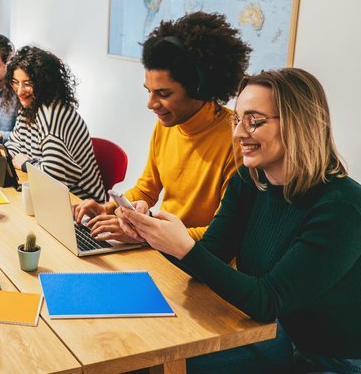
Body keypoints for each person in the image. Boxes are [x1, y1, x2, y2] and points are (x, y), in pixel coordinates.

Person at [117, 68, 361, 374]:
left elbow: (268, 299)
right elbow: (212, 255)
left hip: (328, 359)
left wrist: (184, 248)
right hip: (267, 333)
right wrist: (151, 232)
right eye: (237, 119)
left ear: (300, 125)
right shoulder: (250, 180)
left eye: (254, 121)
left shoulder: (342, 208)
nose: (238, 134)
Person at [75, 12, 250, 243]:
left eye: (163, 94)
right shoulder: (167, 125)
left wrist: (147, 234)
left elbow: (224, 235)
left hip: (198, 260)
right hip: (160, 247)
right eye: (149, 91)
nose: (151, 104)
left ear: (199, 88)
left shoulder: (237, 141)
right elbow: (147, 189)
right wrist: (108, 208)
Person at [4, 45, 105, 202]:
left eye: (28, 83)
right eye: (15, 82)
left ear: (44, 82)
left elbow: (53, 176)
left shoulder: (52, 115)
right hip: (48, 194)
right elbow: (12, 145)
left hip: (80, 204)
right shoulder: (30, 106)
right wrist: (31, 162)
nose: (19, 91)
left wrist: (26, 164)